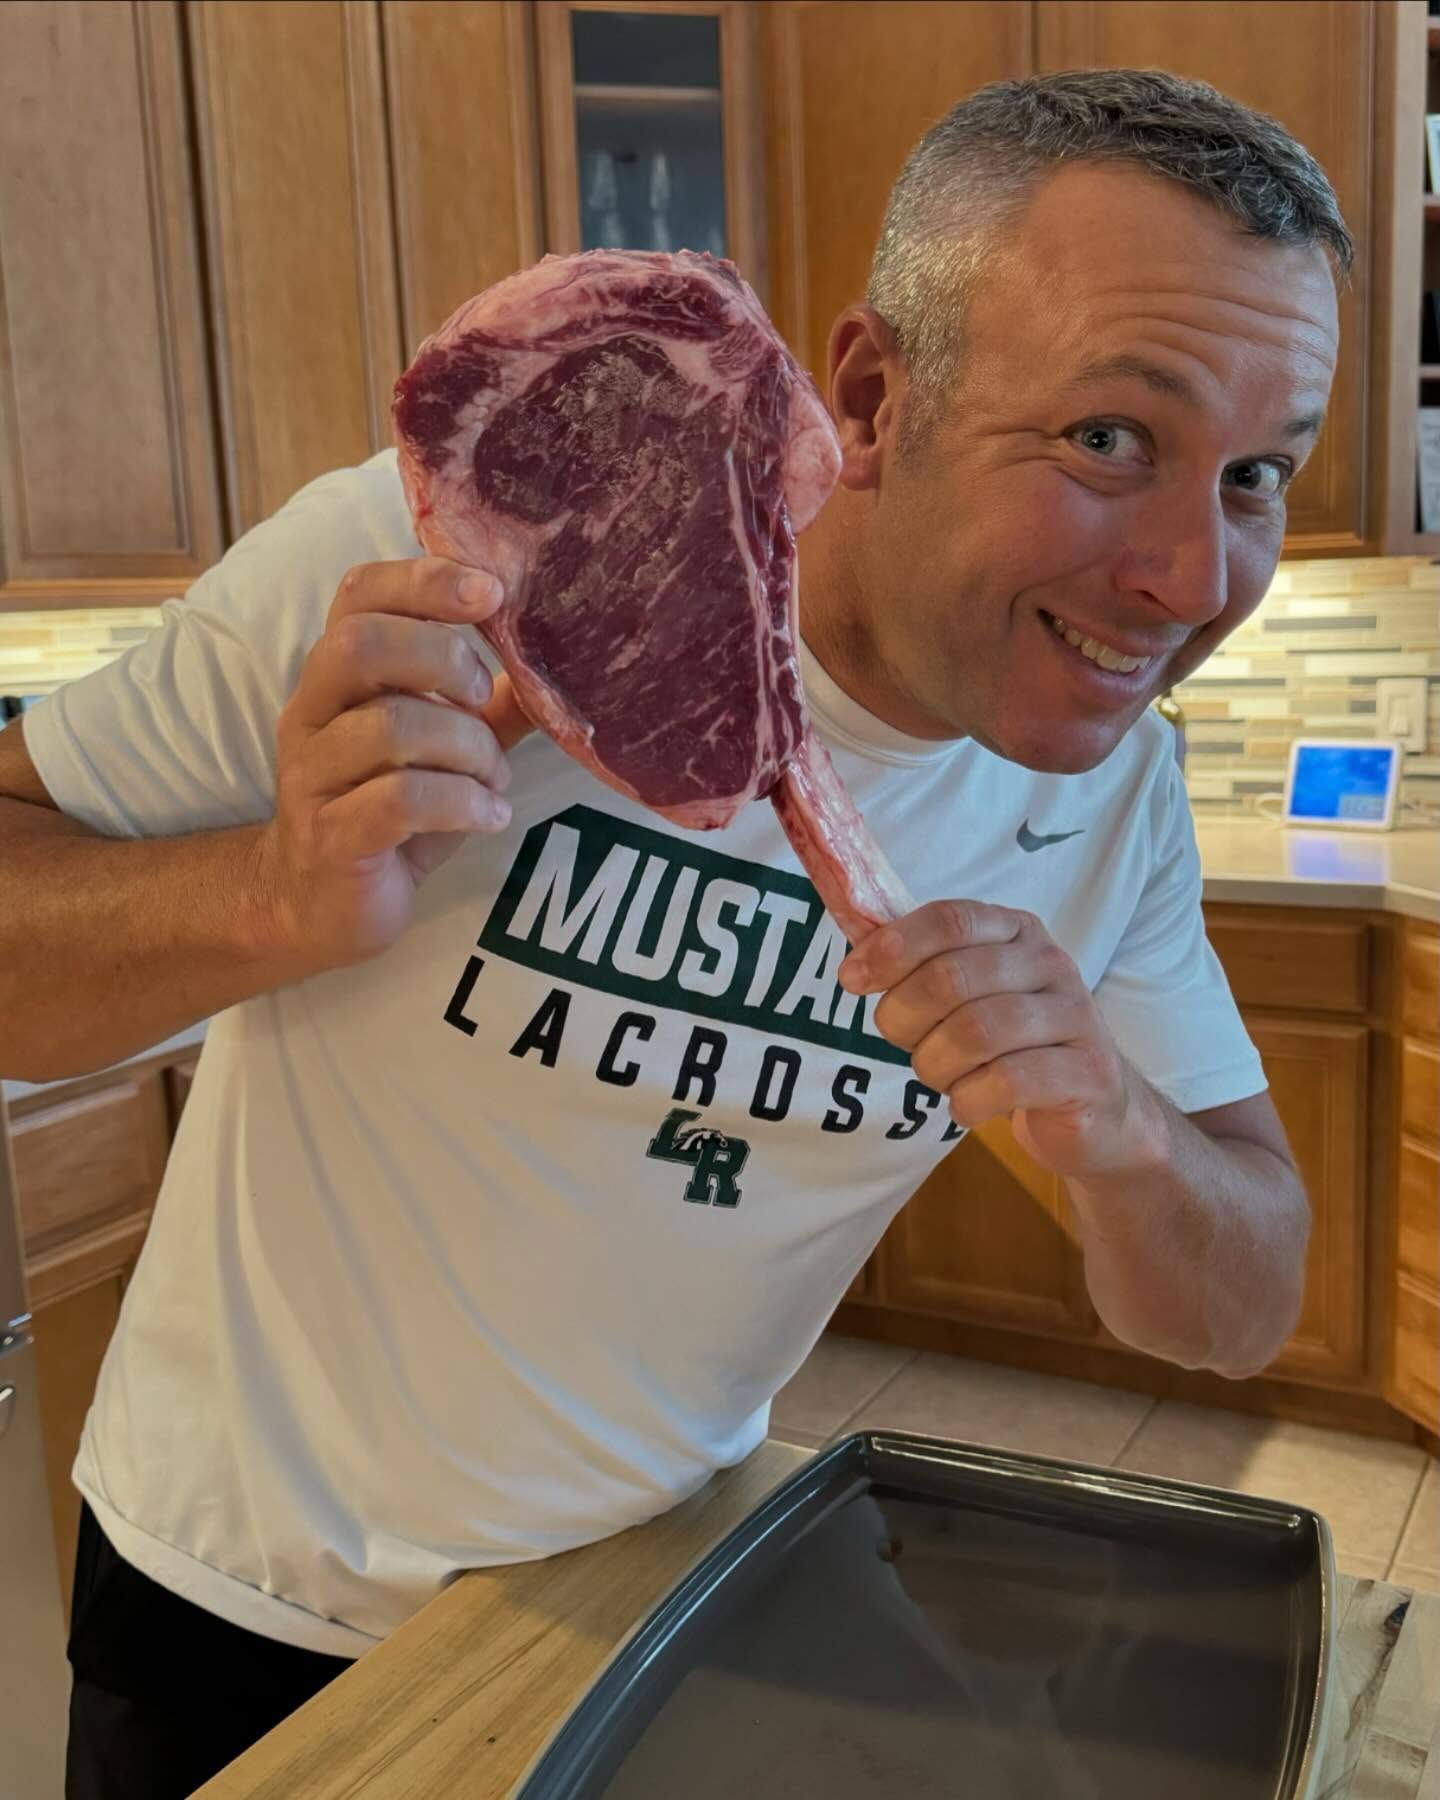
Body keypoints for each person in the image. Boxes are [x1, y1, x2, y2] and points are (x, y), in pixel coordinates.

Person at [0, 68, 1344, 1799]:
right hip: (244, 1608)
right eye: (1107, 437)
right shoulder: (460, 568)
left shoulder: (1114, 800)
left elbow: (1230, 1316)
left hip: (659, 1586)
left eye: (1255, 476)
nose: (1191, 573)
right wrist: (269, 895)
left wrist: (1126, 1140)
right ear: (871, 393)